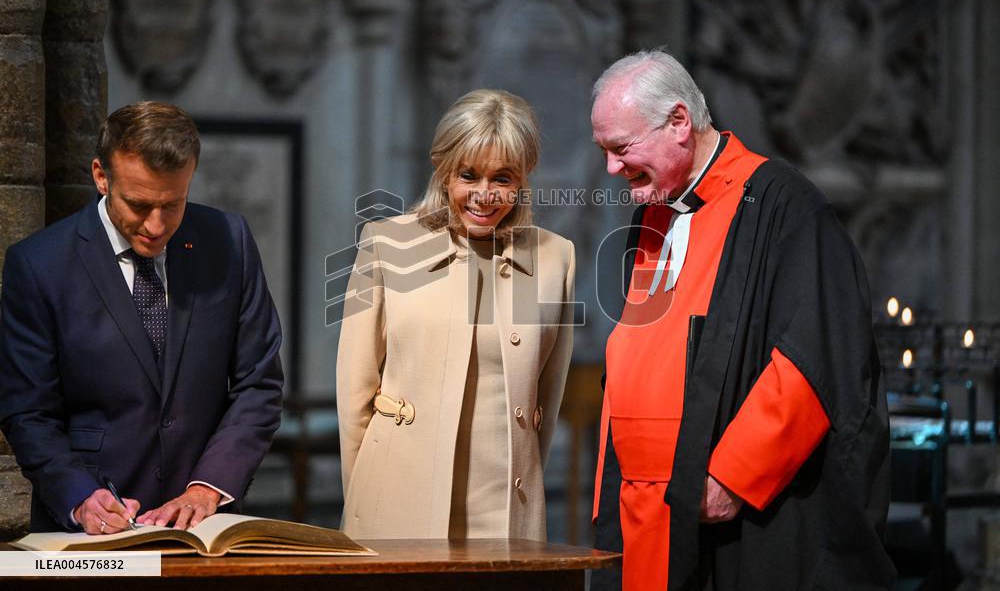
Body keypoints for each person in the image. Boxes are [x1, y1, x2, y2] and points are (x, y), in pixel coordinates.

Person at [589, 51, 895, 589]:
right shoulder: (651, 217)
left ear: (680, 123)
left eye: (622, 148)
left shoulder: (784, 205)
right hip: (643, 516)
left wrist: (733, 477)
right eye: (605, 151)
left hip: (720, 513)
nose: (612, 168)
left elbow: (813, 355)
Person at [0, 102, 283, 535]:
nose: (155, 225)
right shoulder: (39, 264)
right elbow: (28, 411)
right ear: (101, 176)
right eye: (138, 204)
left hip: (204, 525)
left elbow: (258, 383)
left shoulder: (230, 240)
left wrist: (208, 488)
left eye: (173, 205)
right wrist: (78, 496)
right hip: (88, 530)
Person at [337, 89, 575, 540]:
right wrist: (366, 498)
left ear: (523, 180)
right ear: (444, 172)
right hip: (396, 502)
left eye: (502, 178)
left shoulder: (555, 257)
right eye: (469, 175)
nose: (484, 195)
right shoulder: (386, 243)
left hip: (506, 512)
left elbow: (547, 398)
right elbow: (354, 397)